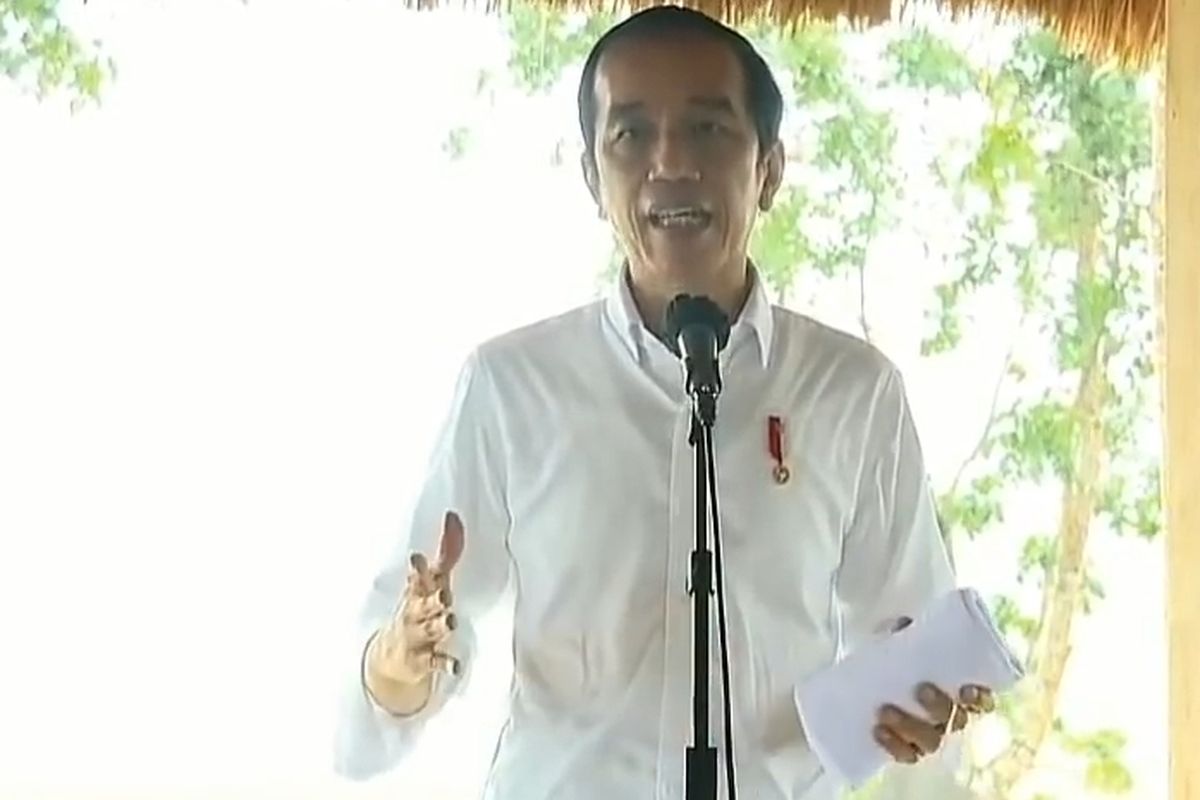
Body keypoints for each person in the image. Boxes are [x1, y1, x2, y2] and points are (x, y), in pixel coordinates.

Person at [333, 6, 995, 798]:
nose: (670, 163)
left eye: (710, 131)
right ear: (592, 178)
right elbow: (395, 681)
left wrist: (923, 708)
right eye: (631, 135)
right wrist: (403, 655)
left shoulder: (854, 391)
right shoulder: (512, 386)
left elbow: (907, 638)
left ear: (769, 171)